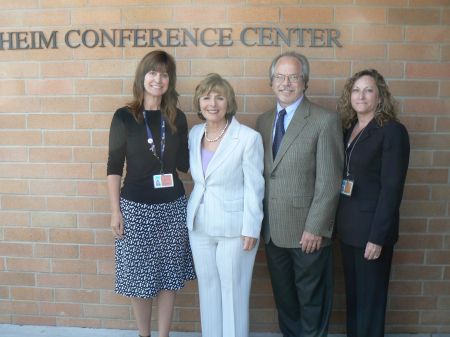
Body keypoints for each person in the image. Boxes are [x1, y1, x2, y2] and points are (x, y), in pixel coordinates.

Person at [107, 50, 196, 337]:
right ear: (142, 76)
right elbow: (113, 167)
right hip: (134, 208)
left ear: (170, 80)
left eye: (164, 74)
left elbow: (186, 163)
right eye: (153, 73)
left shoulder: (178, 118)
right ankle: (144, 335)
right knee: (139, 277)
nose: (158, 79)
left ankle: (163, 335)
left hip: (172, 208)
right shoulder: (123, 117)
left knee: (169, 276)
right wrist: (115, 211)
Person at [256, 52, 344, 337]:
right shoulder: (264, 120)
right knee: (286, 305)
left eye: (294, 76)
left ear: (305, 82)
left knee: (312, 305)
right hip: (272, 232)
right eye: (280, 77)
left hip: (308, 234)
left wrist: (315, 228)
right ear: (271, 83)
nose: (286, 83)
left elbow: (330, 181)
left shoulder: (324, 120)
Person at [186, 73, 264, 337]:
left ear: (229, 102)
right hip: (199, 225)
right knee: (207, 290)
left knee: (234, 294)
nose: (213, 103)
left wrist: (251, 228)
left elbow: (255, 187)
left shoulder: (247, 137)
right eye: (206, 97)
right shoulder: (195, 133)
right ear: (199, 102)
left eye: (219, 97)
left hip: (234, 228)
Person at [335, 69, 410, 337]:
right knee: (355, 301)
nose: (361, 95)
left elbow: (392, 189)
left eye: (368, 90)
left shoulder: (392, 131)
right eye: (356, 90)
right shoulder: (350, 128)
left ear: (380, 97)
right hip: (349, 230)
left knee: (371, 305)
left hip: (372, 232)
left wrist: (377, 238)